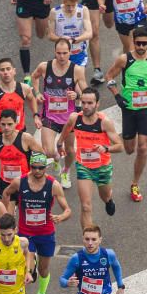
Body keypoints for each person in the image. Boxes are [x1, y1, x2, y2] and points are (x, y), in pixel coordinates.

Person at [105, 27, 147, 203]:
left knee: (142, 147)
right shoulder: (125, 59)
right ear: (133, 42)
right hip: (129, 109)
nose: (141, 47)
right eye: (138, 43)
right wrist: (116, 94)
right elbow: (109, 75)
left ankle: (134, 183)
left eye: (144, 44)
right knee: (129, 148)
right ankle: (131, 155)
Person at [3, 152, 72, 294]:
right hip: (25, 232)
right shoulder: (20, 182)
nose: (37, 171)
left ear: (45, 167)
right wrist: (9, 213)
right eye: (34, 167)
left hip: (46, 233)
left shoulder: (53, 185)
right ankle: (23, 288)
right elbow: (7, 193)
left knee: (43, 269)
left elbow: (68, 210)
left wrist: (61, 217)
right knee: (24, 261)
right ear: (30, 166)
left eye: (40, 168)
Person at [57, 88, 123, 229]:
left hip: (102, 167)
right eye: (83, 102)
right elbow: (67, 128)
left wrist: (106, 148)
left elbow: (120, 146)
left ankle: (108, 200)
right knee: (86, 206)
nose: (86, 106)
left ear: (97, 104)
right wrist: (59, 143)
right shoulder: (75, 118)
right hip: (83, 166)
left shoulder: (104, 123)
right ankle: (89, 239)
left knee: (104, 196)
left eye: (90, 103)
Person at [31, 38, 88, 187]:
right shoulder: (45, 67)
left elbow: (87, 93)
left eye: (65, 53)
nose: (62, 56)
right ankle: (56, 157)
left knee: (69, 150)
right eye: (58, 53)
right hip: (50, 116)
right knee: (48, 151)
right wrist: (37, 92)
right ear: (54, 52)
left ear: (70, 52)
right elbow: (34, 77)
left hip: (69, 118)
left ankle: (65, 171)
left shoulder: (76, 70)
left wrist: (78, 96)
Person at [0, 109, 43, 208]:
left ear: (16, 123)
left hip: (26, 182)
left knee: (28, 215)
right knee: (7, 218)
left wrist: (37, 174)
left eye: (10, 124)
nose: (6, 128)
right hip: (7, 183)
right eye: (3, 124)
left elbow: (41, 154)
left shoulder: (25, 138)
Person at [0, 57, 40, 134]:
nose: (5, 72)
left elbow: (32, 99)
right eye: (2, 70)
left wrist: (35, 115)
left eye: (8, 69)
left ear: (14, 71)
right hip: (0, 134)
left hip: (20, 132)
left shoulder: (24, 88)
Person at [48, 0, 93, 70]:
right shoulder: (55, 12)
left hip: (79, 53)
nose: (71, 8)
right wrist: (62, 39)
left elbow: (89, 33)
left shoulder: (83, 10)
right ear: (63, 0)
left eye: (73, 5)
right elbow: (50, 35)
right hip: (62, 55)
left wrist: (75, 40)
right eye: (68, 5)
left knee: (78, 81)